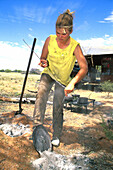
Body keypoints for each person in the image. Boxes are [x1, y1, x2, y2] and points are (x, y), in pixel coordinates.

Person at [33, 9, 88, 146]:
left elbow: (84, 68)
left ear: (71, 31)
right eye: (58, 32)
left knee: (58, 106)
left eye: (64, 33)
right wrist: (43, 61)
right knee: (41, 93)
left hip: (62, 80)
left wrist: (72, 83)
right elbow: (43, 57)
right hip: (49, 73)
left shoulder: (75, 46)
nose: (60, 36)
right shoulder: (49, 40)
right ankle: (37, 127)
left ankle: (56, 134)